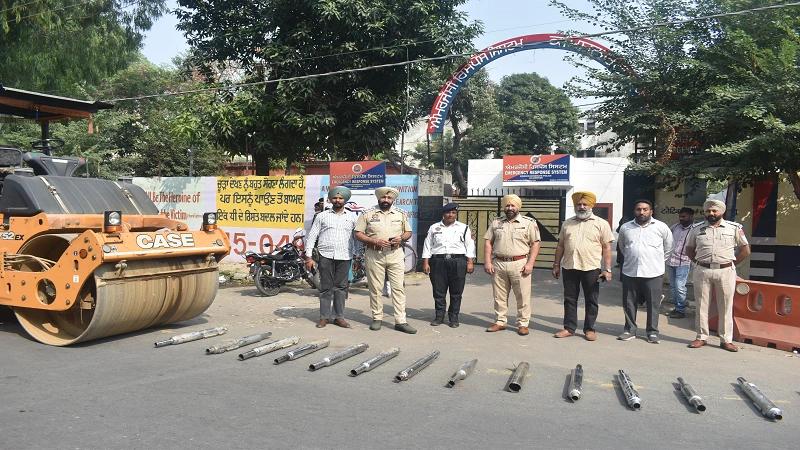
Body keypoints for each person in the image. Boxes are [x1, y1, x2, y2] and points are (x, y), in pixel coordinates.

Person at [685, 199, 750, 352]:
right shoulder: (696, 229)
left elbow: (745, 250)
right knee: (701, 305)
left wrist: (732, 264)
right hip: (702, 270)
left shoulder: (734, 228)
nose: (711, 214)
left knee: (726, 305)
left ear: (722, 212)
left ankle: (726, 340)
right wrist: (698, 263)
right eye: (708, 211)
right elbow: (689, 250)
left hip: (726, 271)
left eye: (715, 211)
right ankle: (701, 337)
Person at [551, 191, 614, 341]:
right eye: (579, 204)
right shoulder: (567, 223)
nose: (581, 207)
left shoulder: (601, 223)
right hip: (569, 267)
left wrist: (607, 269)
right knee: (569, 299)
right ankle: (569, 328)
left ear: (591, 206)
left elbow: (607, 247)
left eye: (585, 204)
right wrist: (556, 265)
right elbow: (560, 246)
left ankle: (589, 329)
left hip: (591, 268)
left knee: (591, 299)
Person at [354, 186, 416, 334]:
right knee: (375, 288)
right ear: (378, 198)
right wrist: (374, 241)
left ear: (393, 199)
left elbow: (408, 232)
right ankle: (377, 318)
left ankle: (401, 321)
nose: (386, 200)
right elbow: (358, 233)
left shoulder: (401, 213)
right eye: (383, 197)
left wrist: (400, 238)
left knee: (398, 288)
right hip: (374, 254)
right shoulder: (367, 214)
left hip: (395, 254)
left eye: (389, 198)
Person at [483, 194, 541, 336]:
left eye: (512, 205)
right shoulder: (496, 222)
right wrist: (488, 261)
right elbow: (488, 242)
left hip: (520, 264)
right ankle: (500, 321)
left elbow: (535, 243)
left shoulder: (528, 223)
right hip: (499, 263)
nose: (510, 208)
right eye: (507, 205)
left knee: (522, 295)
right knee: (499, 295)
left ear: (518, 207)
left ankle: (523, 324)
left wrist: (530, 263)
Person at [616, 200, 673, 343]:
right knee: (629, 302)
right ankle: (629, 330)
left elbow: (668, 248)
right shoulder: (626, 228)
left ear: (651, 211)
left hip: (653, 272)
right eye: (638, 209)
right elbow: (623, 247)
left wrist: (656, 262)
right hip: (630, 272)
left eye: (645, 209)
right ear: (634, 211)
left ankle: (652, 332)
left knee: (653, 303)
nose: (642, 212)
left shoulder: (661, 227)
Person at [304, 187, 358, 329]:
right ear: (330, 200)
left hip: (345, 255)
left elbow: (356, 237)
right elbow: (312, 236)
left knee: (341, 287)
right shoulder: (322, 216)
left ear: (345, 200)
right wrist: (308, 256)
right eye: (335, 198)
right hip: (325, 255)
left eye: (340, 198)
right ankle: (324, 317)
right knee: (325, 287)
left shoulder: (352, 217)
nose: (337, 200)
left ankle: (339, 317)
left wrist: (357, 254)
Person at [421, 202, 476, 328]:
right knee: (438, 291)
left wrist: (470, 262)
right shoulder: (434, 227)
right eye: (448, 212)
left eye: (453, 213)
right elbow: (427, 245)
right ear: (443, 213)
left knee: (456, 292)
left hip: (458, 262)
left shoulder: (464, 227)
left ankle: (453, 317)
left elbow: (469, 245)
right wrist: (425, 262)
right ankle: (439, 316)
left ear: (456, 214)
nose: (450, 215)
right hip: (438, 262)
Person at [666, 207, 696, 319]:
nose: (681, 219)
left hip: (684, 262)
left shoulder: (695, 229)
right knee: (673, 286)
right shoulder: (674, 227)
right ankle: (677, 307)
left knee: (679, 286)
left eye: (684, 216)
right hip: (670, 261)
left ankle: (681, 310)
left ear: (691, 216)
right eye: (680, 216)